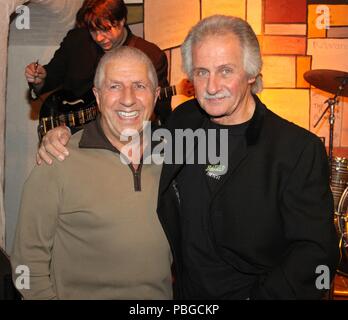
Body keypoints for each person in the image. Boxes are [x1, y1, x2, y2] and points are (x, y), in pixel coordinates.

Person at [35, 15, 339, 300]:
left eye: (225, 70)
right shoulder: (184, 119)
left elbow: (314, 253)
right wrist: (67, 135)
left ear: (250, 73)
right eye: (202, 72)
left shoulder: (296, 149)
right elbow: (125, 135)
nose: (212, 86)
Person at [11, 47, 173, 300]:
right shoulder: (58, 159)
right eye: (114, 87)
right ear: (97, 96)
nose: (128, 99)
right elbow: (26, 261)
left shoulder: (176, 160)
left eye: (139, 86)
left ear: (155, 95)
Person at [25, 0, 172, 125]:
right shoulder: (76, 41)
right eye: (93, 30)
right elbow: (51, 78)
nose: (100, 38)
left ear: (122, 21)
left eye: (106, 29)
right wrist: (39, 80)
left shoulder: (151, 56)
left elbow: (162, 112)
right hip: (69, 133)